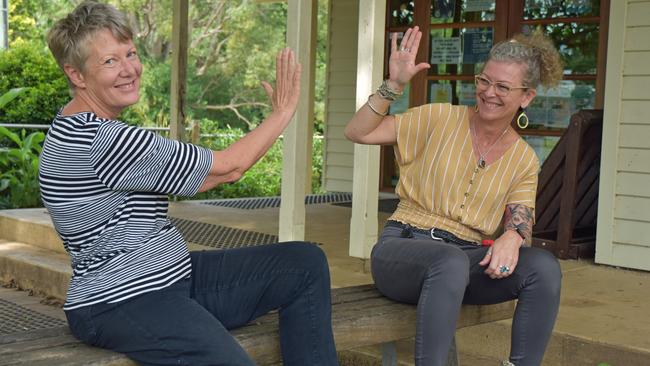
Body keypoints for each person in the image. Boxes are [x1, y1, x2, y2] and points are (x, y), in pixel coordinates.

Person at [39, 1, 338, 365]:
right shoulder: (101, 139)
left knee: (303, 264)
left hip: (173, 277)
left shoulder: (74, 123)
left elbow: (204, 179)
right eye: (109, 61)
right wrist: (282, 114)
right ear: (77, 74)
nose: (130, 69)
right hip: (120, 299)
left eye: (130, 53)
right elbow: (229, 169)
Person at [344, 26, 563, 366]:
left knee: (543, 268)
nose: (489, 93)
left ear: (526, 97)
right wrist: (395, 85)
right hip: (403, 249)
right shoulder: (439, 117)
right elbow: (357, 132)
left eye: (503, 87)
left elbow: (521, 218)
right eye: (484, 81)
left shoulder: (523, 159)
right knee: (448, 262)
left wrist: (514, 235)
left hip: (463, 260)